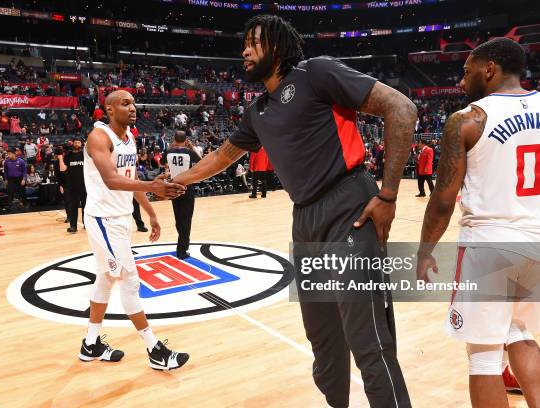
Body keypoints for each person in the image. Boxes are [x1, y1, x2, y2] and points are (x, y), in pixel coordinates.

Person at [172, 15, 417, 407]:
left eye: (253, 42)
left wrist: (388, 196)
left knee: (368, 341)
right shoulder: (258, 111)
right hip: (304, 220)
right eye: (243, 44)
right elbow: (222, 156)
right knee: (324, 346)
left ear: (278, 47)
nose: (244, 51)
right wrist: (180, 180)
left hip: (348, 208)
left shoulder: (315, 74)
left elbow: (401, 109)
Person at [417, 38, 540, 408]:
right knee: (520, 332)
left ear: (489, 69)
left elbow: (441, 201)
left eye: (467, 70)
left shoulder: (467, 120)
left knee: (484, 356)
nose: (460, 80)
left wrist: (424, 251)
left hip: (490, 245)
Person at [79, 90, 190, 371]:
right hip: (103, 219)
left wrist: (151, 213)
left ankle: (90, 344)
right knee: (129, 280)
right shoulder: (99, 137)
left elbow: (132, 179)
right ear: (109, 110)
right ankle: (154, 350)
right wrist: (153, 187)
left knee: (105, 279)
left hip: (121, 218)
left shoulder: (129, 138)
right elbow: (112, 180)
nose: (132, 108)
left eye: (133, 103)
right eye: (125, 103)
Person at [161, 130, 201, 259]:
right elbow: (200, 161)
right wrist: (191, 147)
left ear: (174, 139)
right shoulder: (189, 152)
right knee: (186, 219)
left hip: (173, 186)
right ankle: (182, 250)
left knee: (178, 218)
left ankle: (182, 244)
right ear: (186, 140)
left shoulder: (168, 152)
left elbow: (162, 163)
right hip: (186, 187)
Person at [58, 137, 86, 233]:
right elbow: (62, 169)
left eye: (79, 142)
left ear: (81, 144)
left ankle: (87, 224)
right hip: (72, 185)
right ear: (73, 144)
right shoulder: (68, 155)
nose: (77, 144)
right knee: (73, 206)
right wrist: (60, 157)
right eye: (76, 142)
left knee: (86, 206)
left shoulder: (85, 154)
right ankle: (73, 226)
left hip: (85, 185)